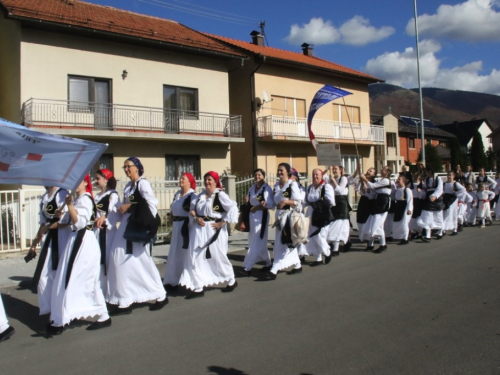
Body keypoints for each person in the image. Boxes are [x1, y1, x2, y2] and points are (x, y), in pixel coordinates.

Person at [46, 176, 111, 334]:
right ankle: (100, 315)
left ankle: (63, 319)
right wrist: (60, 214)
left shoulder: (86, 199)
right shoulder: (77, 200)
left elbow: (79, 222)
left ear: (86, 183)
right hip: (75, 240)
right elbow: (68, 222)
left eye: (79, 181)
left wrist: (69, 206)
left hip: (84, 242)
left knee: (76, 279)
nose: (75, 184)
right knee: (75, 279)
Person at [107, 157, 167, 314]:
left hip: (137, 226)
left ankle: (159, 294)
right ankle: (125, 298)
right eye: (124, 167)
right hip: (127, 225)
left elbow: (151, 204)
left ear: (138, 168)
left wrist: (131, 207)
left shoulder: (143, 183)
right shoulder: (128, 186)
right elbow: (127, 207)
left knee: (142, 260)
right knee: (119, 258)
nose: (126, 169)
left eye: (129, 166)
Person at [179, 171, 238, 298]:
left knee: (217, 256)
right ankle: (198, 286)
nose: (207, 182)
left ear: (215, 181)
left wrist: (223, 222)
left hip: (213, 230)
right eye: (206, 179)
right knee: (195, 257)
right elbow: (192, 211)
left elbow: (233, 207)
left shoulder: (220, 195)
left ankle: (231, 278)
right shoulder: (199, 196)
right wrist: (196, 218)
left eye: (210, 179)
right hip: (199, 230)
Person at [29, 186, 69, 315]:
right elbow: (43, 223)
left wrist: (48, 227)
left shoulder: (61, 194)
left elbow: (66, 221)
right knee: (45, 276)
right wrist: (35, 242)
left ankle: (61, 309)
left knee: (58, 274)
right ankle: (51, 308)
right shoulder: (44, 197)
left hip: (61, 238)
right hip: (49, 239)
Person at [267, 163, 303, 279]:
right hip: (278, 216)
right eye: (278, 170)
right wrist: (266, 204)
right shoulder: (276, 186)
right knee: (283, 241)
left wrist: (286, 202)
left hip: (288, 216)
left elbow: (298, 202)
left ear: (288, 172)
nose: (279, 173)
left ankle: (275, 268)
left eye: (282, 170)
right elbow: (273, 203)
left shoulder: (292, 184)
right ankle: (297, 264)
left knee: (283, 242)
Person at [163, 172, 198, 289]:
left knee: (184, 253)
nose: (180, 180)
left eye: (183, 179)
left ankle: (186, 279)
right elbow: (173, 210)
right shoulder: (177, 194)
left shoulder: (192, 196)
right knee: (174, 253)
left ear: (189, 181)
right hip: (176, 226)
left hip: (186, 226)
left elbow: (194, 212)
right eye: (180, 178)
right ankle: (173, 279)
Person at [93, 169, 121, 294]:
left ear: (106, 179)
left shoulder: (113, 195)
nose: (95, 181)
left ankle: (110, 291)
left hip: (108, 233)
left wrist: (106, 219)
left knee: (108, 260)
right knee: (98, 259)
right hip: (97, 232)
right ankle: (100, 290)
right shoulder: (97, 196)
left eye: (98, 178)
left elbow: (117, 215)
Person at [242, 169, 274, 275]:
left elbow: (270, 204)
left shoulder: (266, 188)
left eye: (259, 175)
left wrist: (257, 207)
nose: (257, 177)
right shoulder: (252, 188)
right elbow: (249, 201)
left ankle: (247, 266)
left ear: (263, 176)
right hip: (252, 216)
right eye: (255, 175)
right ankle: (268, 262)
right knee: (253, 239)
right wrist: (247, 201)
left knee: (257, 239)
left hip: (261, 216)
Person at [304, 168, 334, 266]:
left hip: (322, 213)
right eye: (313, 175)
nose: (315, 176)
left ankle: (327, 252)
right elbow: (306, 201)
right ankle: (318, 258)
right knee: (312, 236)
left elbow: (331, 202)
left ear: (321, 176)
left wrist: (321, 203)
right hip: (311, 213)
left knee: (319, 236)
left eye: (317, 174)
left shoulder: (326, 187)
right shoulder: (310, 187)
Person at [359, 166, 392, 252]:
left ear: (388, 172)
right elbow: (371, 191)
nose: (381, 170)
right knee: (373, 223)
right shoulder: (381, 180)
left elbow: (373, 186)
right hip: (378, 202)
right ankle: (376, 244)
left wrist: (365, 179)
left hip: (383, 203)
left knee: (377, 224)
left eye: (383, 169)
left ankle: (383, 244)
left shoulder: (386, 180)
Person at [327, 165, 351, 255]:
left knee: (337, 226)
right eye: (333, 169)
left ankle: (336, 249)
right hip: (335, 203)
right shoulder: (335, 180)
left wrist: (333, 181)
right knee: (335, 226)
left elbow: (340, 190)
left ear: (340, 170)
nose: (334, 170)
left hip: (341, 203)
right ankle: (341, 244)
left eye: (335, 169)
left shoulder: (343, 179)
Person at [418, 167, 444, 242]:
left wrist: (435, 196)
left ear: (430, 171)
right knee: (427, 216)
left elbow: (440, 189)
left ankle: (440, 232)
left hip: (436, 199)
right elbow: (425, 190)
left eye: (426, 171)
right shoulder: (426, 180)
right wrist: (421, 191)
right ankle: (427, 235)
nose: (425, 173)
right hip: (428, 199)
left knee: (438, 216)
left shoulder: (438, 179)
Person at [356, 167, 377, 244]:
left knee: (369, 223)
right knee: (360, 221)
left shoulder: (374, 183)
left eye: (370, 171)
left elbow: (372, 195)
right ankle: (362, 236)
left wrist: (366, 190)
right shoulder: (362, 181)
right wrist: (361, 182)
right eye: (368, 170)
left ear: (374, 174)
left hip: (370, 204)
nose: (368, 172)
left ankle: (370, 243)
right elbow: (357, 190)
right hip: (363, 202)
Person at [442, 171, 466, 236]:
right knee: (445, 214)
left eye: (450, 175)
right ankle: (443, 229)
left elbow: (463, 189)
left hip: (453, 200)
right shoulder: (445, 183)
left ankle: (455, 229)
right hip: (446, 199)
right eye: (448, 175)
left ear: (453, 176)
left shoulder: (455, 183)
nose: (449, 176)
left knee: (453, 214)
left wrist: (456, 193)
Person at [392, 175, 413, 245]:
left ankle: (405, 238)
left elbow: (410, 200)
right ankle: (399, 236)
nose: (397, 180)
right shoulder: (397, 190)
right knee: (398, 223)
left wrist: (409, 209)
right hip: (398, 206)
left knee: (404, 223)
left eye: (399, 179)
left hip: (405, 207)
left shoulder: (407, 190)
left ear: (403, 182)